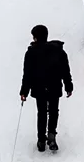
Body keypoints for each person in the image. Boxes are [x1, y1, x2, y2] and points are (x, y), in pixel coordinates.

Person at [20, 25, 73, 153]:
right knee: (54, 111)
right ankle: (52, 137)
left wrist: (24, 92)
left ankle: (41, 140)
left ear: (36, 37)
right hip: (54, 86)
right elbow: (65, 70)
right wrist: (68, 85)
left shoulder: (31, 53)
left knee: (42, 113)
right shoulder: (59, 51)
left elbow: (27, 74)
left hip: (39, 88)